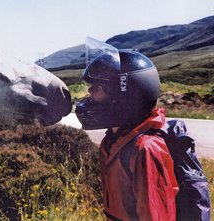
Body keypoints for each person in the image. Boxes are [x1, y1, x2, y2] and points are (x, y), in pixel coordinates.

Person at [76, 44, 179, 221]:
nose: (89, 92)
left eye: (98, 87)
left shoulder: (144, 149)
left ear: (123, 95)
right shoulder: (113, 141)